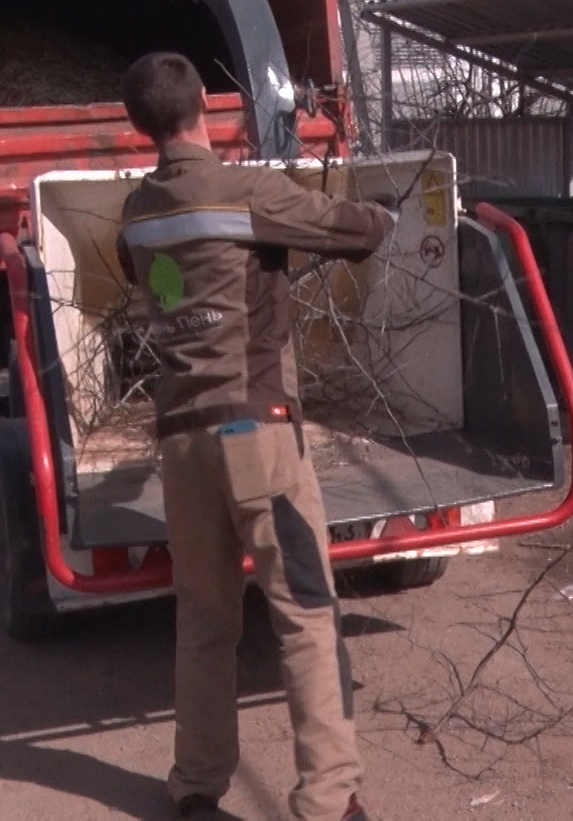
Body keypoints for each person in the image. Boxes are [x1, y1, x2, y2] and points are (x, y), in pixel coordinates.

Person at [114, 52, 394, 821]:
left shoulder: (139, 214)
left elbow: (151, 283)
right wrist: (389, 212)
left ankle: (198, 788)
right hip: (257, 435)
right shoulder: (245, 191)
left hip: (182, 443)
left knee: (205, 620)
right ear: (204, 105)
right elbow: (351, 229)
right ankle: (329, 801)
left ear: (140, 126)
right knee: (304, 611)